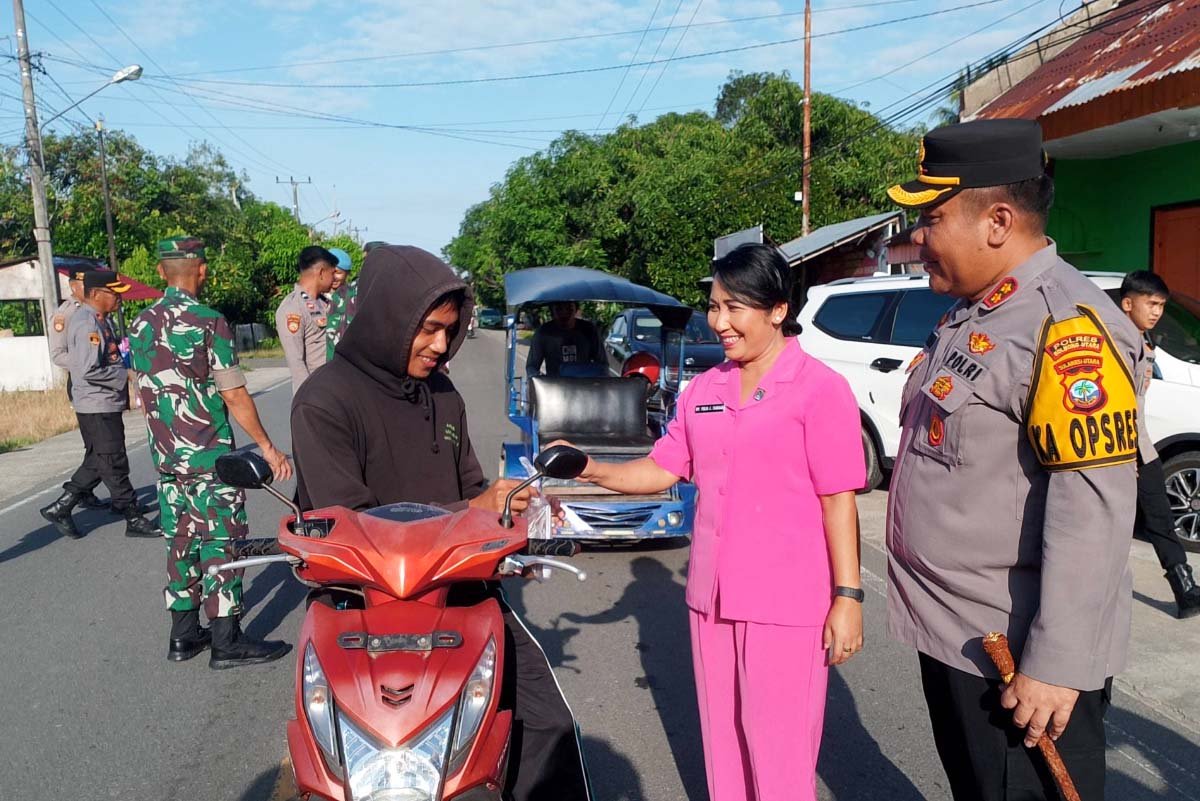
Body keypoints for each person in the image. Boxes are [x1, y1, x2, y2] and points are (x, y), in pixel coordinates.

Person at [885, 119, 1144, 801]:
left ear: (998, 220)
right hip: (960, 638)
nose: (920, 238)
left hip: (1018, 661)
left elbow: (1093, 507)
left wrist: (1056, 663)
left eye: (932, 218)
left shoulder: (1064, 327)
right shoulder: (979, 311)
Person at [551, 243, 866, 801]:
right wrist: (590, 467)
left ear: (776, 310)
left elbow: (837, 500)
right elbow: (661, 469)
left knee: (779, 753)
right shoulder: (705, 389)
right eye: (715, 307)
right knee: (724, 748)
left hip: (786, 604)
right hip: (712, 601)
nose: (719, 322)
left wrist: (848, 597)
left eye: (734, 308)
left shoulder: (820, 390)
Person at [290, 245, 591, 801]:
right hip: (363, 606)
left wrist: (505, 521)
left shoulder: (443, 394)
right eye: (427, 329)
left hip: (462, 594)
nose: (439, 345)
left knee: (547, 725)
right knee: (349, 755)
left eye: (448, 331)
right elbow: (345, 519)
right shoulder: (325, 401)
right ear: (387, 320)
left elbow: (470, 488)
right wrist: (469, 513)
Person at [129, 236, 293, 669]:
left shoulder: (140, 324)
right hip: (210, 460)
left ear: (162, 272)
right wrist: (267, 448)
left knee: (180, 542)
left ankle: (183, 635)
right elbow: (234, 392)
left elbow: (141, 391)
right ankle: (226, 640)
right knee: (222, 543)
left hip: (166, 461)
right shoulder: (209, 322)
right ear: (201, 270)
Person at [39, 271, 160, 540]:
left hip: (102, 401)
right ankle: (132, 516)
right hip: (96, 402)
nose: (119, 297)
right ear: (96, 294)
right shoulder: (87, 325)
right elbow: (87, 370)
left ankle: (62, 506)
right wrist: (125, 375)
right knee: (113, 459)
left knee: (100, 458)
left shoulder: (99, 319)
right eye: (113, 293)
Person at [1120, 270, 1200, 618]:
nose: (1156, 311)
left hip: (1141, 443)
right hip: (1119, 447)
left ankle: (1185, 589)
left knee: (1159, 513)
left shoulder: (1144, 340)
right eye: (1150, 303)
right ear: (1127, 303)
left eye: (1161, 305)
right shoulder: (1115, 343)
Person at [47, 267, 108, 510]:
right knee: (99, 444)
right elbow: (57, 354)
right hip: (83, 383)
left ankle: (84, 490)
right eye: (84, 284)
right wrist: (85, 364)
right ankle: (74, 494)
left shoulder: (95, 309)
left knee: (99, 444)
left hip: (102, 382)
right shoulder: (66, 314)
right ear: (73, 286)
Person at [275, 245, 336, 393]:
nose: (334, 278)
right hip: (317, 394)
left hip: (335, 390)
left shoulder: (325, 303)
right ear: (321, 272)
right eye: (332, 273)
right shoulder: (293, 309)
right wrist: (310, 399)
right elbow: (297, 363)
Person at [525, 301, 604, 377]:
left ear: (576, 310)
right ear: (552, 311)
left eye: (569, 309)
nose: (564, 314)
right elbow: (532, 367)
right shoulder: (543, 333)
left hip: (585, 386)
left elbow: (603, 364)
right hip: (554, 388)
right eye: (559, 309)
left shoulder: (589, 330)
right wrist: (541, 381)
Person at [324, 246, 357, 361]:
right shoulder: (316, 299)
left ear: (347, 274)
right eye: (330, 272)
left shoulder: (354, 298)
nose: (333, 277)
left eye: (338, 272)